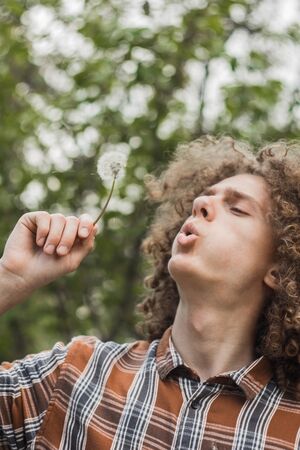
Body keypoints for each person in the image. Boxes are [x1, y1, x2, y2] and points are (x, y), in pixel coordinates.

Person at [0, 136, 299, 450]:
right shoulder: (75, 373)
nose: (201, 205)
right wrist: (11, 277)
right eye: (203, 199)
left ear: (280, 268)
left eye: (237, 209)